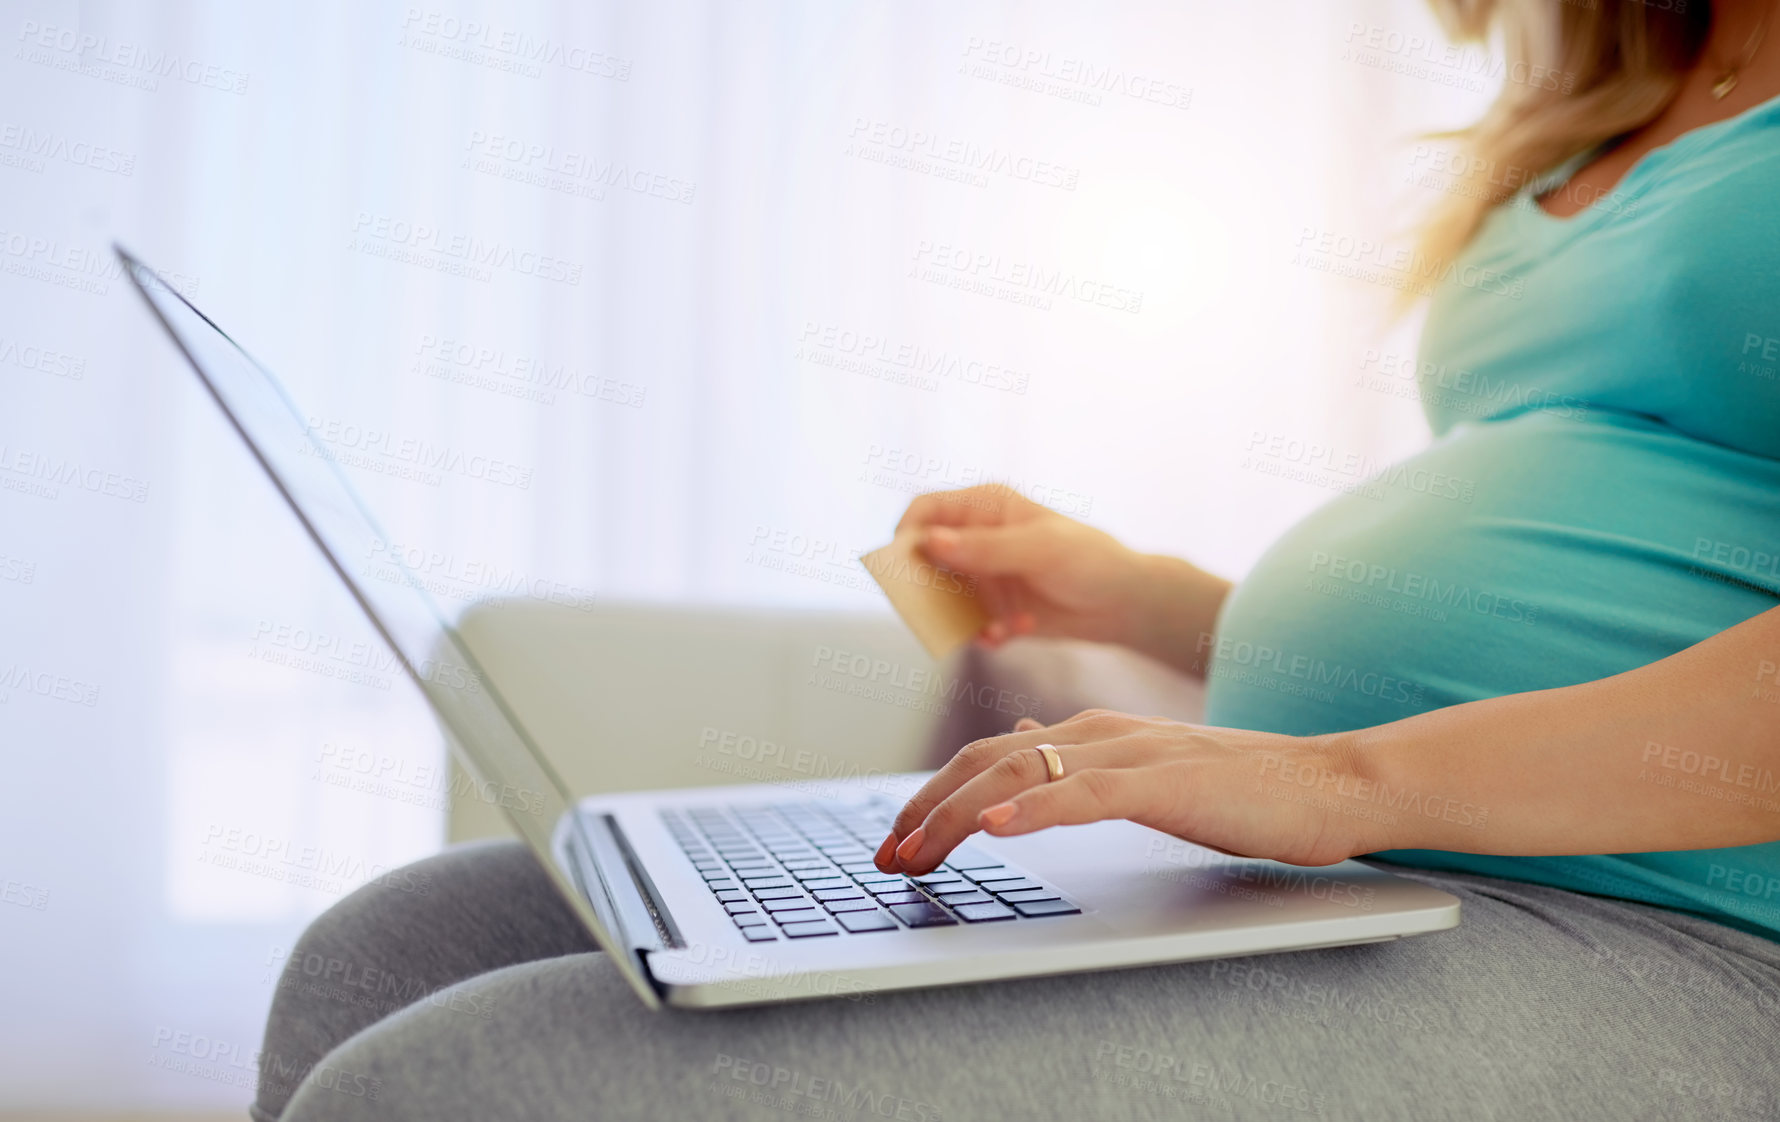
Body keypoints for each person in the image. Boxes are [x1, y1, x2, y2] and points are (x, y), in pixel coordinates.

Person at [257, 2, 1780, 1119]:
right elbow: (1593, 578)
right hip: (1395, 859)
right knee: (392, 942)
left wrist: (1336, 776)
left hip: (1692, 930)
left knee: (452, 1088)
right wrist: (1153, 600)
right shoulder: (1617, 90)